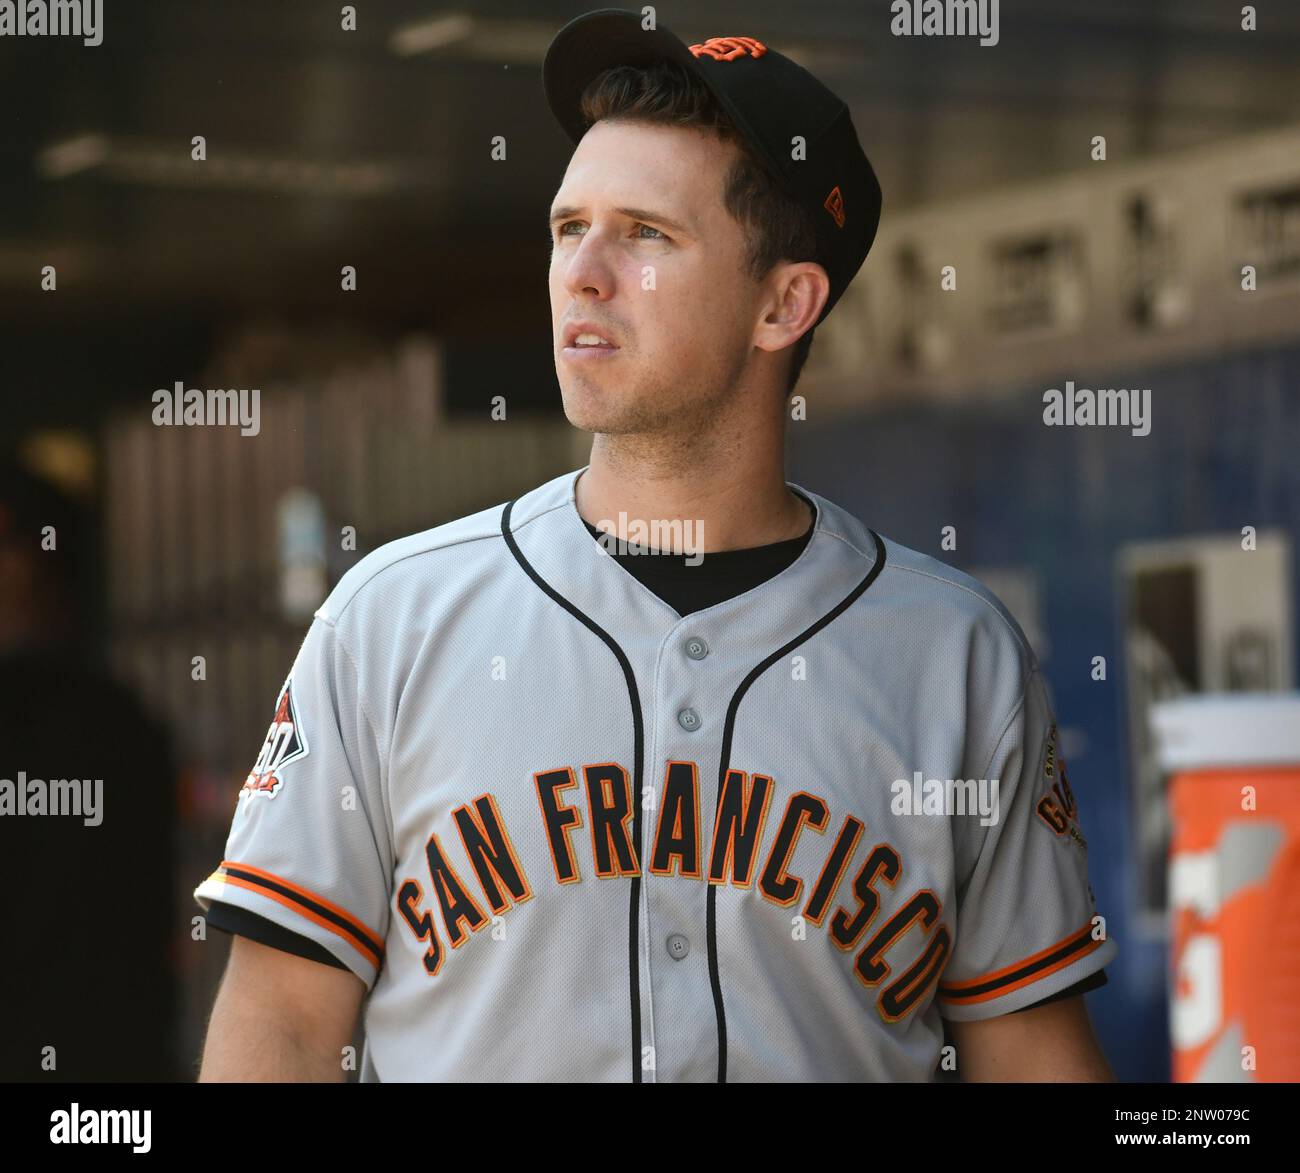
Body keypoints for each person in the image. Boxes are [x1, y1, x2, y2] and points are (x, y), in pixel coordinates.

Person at [196, 10, 1116, 1082]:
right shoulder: (390, 619)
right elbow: (284, 1025)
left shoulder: (957, 657)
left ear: (784, 303)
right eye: (566, 226)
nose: (581, 274)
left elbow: (1029, 1055)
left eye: (644, 234)